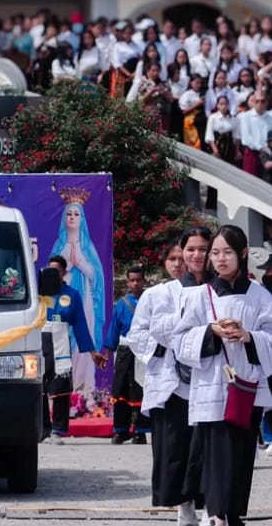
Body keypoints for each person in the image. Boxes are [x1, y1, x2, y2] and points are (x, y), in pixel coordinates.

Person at [173, 225, 272, 526]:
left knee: (242, 453)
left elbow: (270, 335)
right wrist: (209, 332)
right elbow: (180, 341)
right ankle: (216, 514)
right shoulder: (199, 295)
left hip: (247, 385)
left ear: (243, 254)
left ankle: (231, 514)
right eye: (215, 253)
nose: (220, 259)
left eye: (227, 252)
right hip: (211, 386)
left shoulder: (260, 296)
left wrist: (249, 337)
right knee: (216, 453)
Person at [128, 227, 213, 525]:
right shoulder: (158, 294)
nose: (195, 256)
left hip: (210, 380)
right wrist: (167, 346)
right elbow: (137, 335)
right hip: (172, 383)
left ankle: (210, 507)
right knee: (175, 449)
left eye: (204, 249)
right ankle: (183, 506)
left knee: (206, 448)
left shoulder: (220, 290)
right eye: (189, 250)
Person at [40, 255, 105, 444]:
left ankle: (58, 429)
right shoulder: (38, 294)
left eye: (57, 270)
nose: (53, 274)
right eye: (50, 269)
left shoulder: (72, 294)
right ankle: (43, 428)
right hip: (40, 341)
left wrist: (92, 351)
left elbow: (80, 324)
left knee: (60, 386)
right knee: (40, 385)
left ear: (64, 273)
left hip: (61, 342)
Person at [47, 190, 106, 391]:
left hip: (84, 298)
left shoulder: (87, 246)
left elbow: (95, 275)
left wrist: (79, 262)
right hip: (60, 299)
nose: (72, 218)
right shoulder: (59, 245)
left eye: (76, 214)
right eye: (69, 214)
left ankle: (82, 386)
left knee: (83, 330)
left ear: (82, 218)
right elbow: (52, 275)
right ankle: (61, 384)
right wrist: (68, 266)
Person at [101, 266, 151, 445]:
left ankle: (141, 430)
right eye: (132, 280)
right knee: (121, 390)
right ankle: (120, 430)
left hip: (143, 351)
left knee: (141, 390)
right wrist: (107, 352)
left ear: (144, 281)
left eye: (139, 280)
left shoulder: (151, 301)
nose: (135, 283)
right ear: (128, 282)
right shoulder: (122, 304)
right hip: (125, 351)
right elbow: (113, 329)